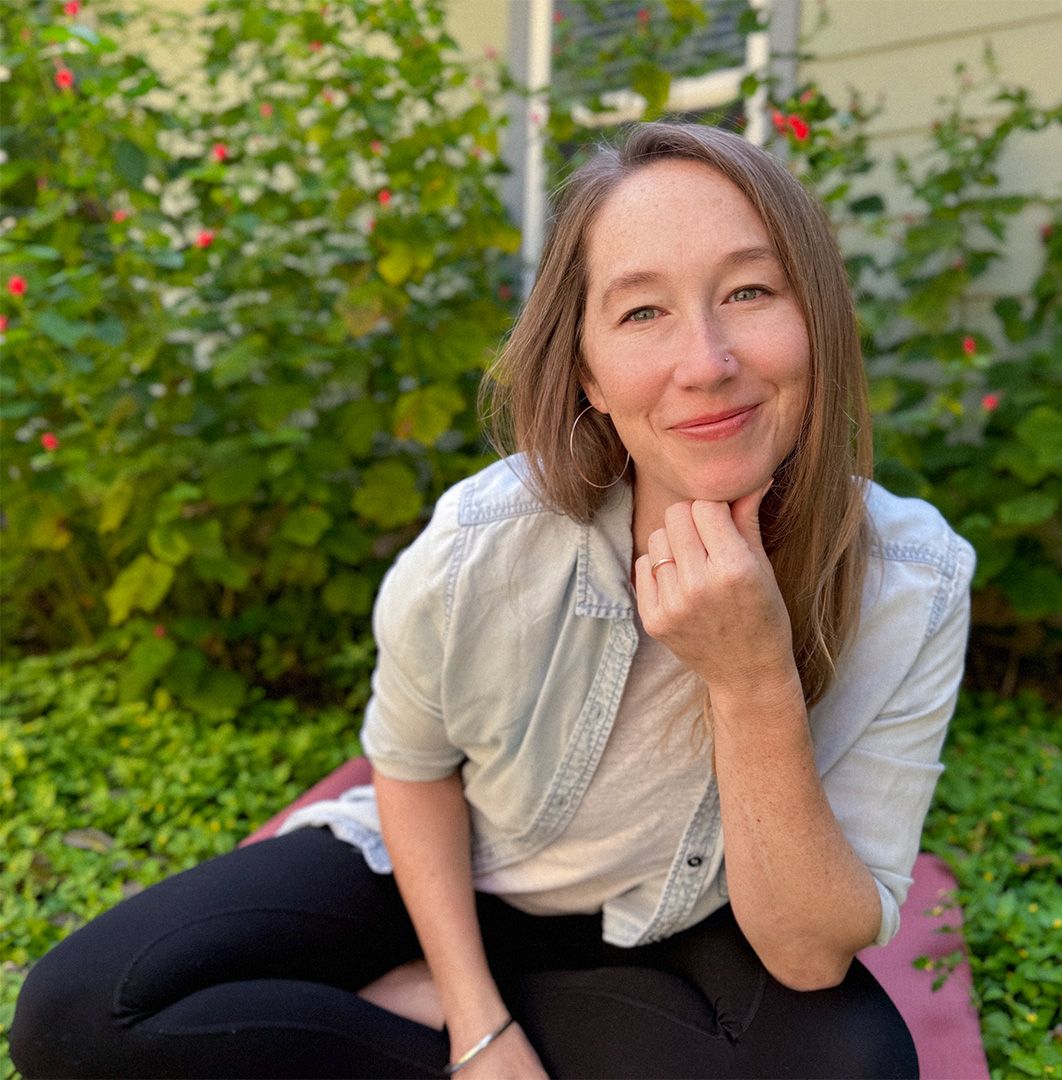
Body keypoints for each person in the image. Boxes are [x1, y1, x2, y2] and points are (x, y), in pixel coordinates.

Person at [11, 121, 974, 1079]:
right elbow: (412, 769)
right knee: (80, 1013)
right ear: (590, 375)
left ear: (819, 317)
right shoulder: (484, 541)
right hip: (464, 871)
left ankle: (402, 1010)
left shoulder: (916, 581)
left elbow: (808, 954)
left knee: (855, 1067)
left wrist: (752, 676)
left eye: (749, 292)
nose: (707, 362)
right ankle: (447, 1005)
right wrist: (476, 1025)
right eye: (643, 312)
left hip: (681, 916)